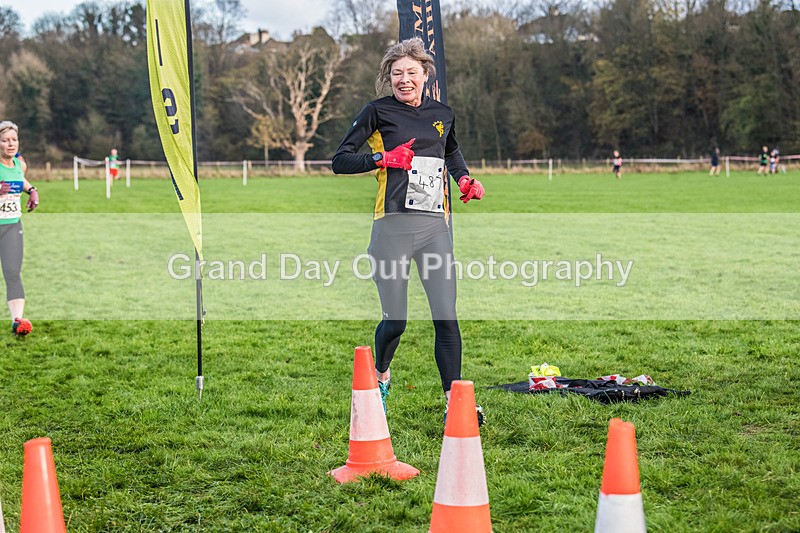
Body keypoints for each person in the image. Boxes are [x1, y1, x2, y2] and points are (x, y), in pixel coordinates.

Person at [332, 38, 485, 422]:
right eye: (397, 73)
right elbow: (340, 160)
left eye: (411, 73)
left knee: (446, 316)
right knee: (396, 320)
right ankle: (382, 375)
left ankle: (454, 403)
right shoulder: (376, 112)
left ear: (425, 75)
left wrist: (464, 179)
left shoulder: (443, 113)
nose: (404, 79)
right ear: (389, 77)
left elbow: (450, 151)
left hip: (435, 228)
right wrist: (383, 158)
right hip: (392, 228)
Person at [0, 121, 38, 336]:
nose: (10, 144)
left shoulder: (19, 164)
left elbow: (20, 179)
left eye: (14, 140)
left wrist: (32, 190)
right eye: (5, 140)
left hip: (12, 225)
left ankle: (18, 321)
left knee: (13, 273)